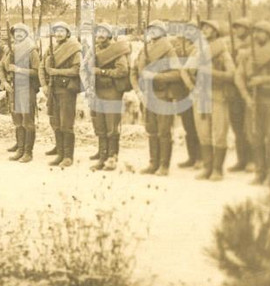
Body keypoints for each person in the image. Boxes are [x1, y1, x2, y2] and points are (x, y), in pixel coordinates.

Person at [131, 21, 183, 176]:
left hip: (163, 95)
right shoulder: (144, 49)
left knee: (163, 131)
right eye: (150, 29)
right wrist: (138, 92)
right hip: (147, 96)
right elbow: (133, 71)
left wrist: (156, 76)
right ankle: (153, 163)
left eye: (156, 29)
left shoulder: (168, 49)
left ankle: (164, 166)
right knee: (151, 130)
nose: (152, 32)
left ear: (163, 31)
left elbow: (177, 74)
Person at [235, 20, 270, 185]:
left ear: (269, 34)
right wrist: (246, 95)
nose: (256, 35)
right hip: (254, 99)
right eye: (255, 32)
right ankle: (259, 173)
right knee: (255, 137)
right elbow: (239, 76)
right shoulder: (249, 54)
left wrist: (263, 79)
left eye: (260, 32)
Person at [189, 20, 235, 181]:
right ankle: (207, 168)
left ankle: (217, 170)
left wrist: (210, 72)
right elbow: (188, 71)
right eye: (203, 28)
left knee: (219, 132)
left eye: (209, 28)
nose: (206, 30)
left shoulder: (222, 52)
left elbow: (231, 75)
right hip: (201, 95)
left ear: (216, 32)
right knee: (203, 133)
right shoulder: (196, 50)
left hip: (217, 95)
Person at [86, 24, 131, 172]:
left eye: (103, 32)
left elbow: (122, 70)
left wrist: (102, 71)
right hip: (97, 91)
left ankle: (112, 158)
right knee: (100, 126)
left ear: (110, 35)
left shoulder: (117, 50)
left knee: (112, 127)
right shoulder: (95, 50)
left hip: (111, 91)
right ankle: (102, 157)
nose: (100, 35)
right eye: (98, 32)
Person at [40, 21, 82, 168]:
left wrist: (56, 72)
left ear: (67, 33)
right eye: (56, 31)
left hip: (67, 90)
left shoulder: (74, 48)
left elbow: (77, 70)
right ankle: (60, 154)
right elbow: (42, 67)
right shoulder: (51, 48)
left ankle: (68, 157)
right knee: (56, 123)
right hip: (53, 89)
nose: (58, 34)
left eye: (61, 31)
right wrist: (44, 85)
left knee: (66, 124)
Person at [0, 23, 40, 163]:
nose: (18, 35)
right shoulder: (11, 50)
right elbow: (0, 68)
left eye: (21, 32)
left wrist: (18, 70)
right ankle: (20, 149)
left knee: (28, 121)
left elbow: (37, 71)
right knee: (17, 121)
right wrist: (4, 82)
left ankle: (28, 152)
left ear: (26, 34)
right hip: (13, 89)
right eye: (16, 32)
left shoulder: (32, 51)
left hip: (27, 89)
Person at [173, 21, 202, 169]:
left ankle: (201, 158)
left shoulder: (200, 47)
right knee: (188, 125)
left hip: (197, 88)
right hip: (182, 90)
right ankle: (192, 157)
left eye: (193, 30)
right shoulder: (177, 47)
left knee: (199, 125)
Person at [227, 17, 254, 173]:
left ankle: (251, 161)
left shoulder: (253, 45)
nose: (237, 30)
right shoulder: (232, 44)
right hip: (234, 90)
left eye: (240, 27)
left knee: (249, 127)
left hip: (248, 90)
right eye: (236, 27)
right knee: (237, 126)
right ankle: (241, 160)